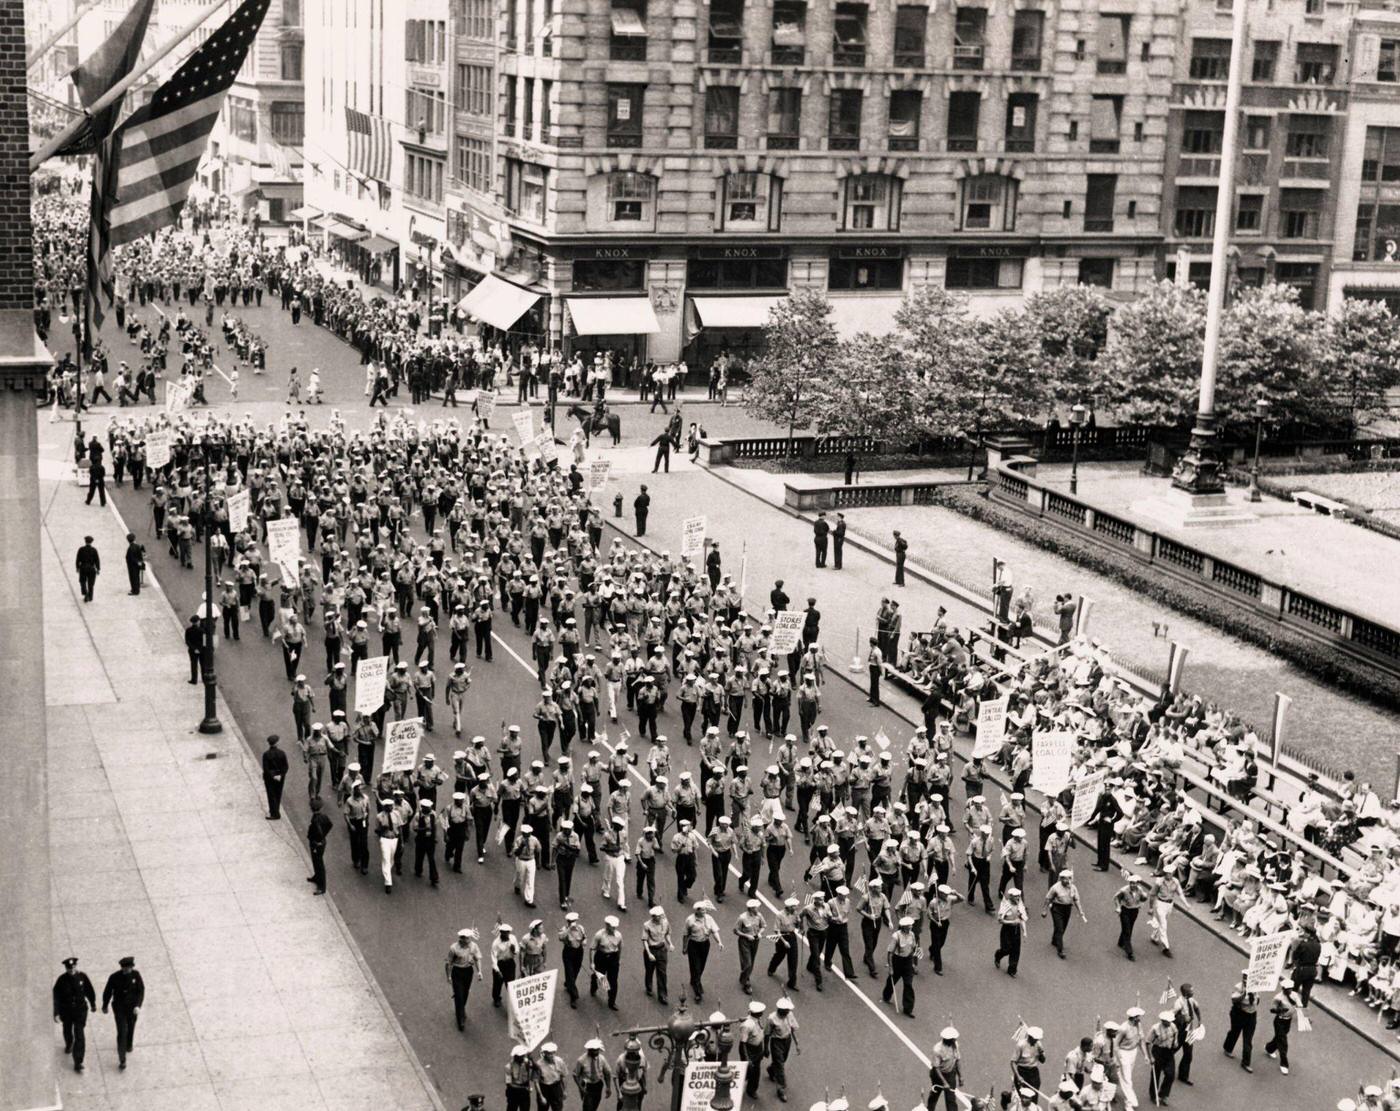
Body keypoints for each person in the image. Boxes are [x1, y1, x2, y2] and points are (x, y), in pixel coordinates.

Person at [52, 956, 97, 1073]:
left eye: (73, 967)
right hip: (66, 1012)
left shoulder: (82, 977)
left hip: (80, 1011)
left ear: (76, 966)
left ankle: (78, 1062)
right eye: (69, 968)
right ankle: (68, 1043)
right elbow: (55, 997)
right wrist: (56, 1013)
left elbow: (89, 991)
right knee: (67, 1030)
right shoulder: (61, 980)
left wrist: (92, 1004)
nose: (71, 970)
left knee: (80, 1034)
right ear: (66, 968)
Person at [101, 956, 145, 1070]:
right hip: (119, 1008)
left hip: (132, 1009)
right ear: (122, 968)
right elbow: (108, 992)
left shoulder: (136, 975)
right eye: (126, 968)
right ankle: (122, 1059)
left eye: (130, 968)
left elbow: (141, 991)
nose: (128, 970)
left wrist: (138, 1005)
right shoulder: (114, 977)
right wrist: (105, 1005)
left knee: (131, 1027)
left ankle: (129, 1044)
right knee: (121, 1032)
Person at [446, 928, 483, 1031]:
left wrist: (479, 971)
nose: (469, 940)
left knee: (465, 993)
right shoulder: (454, 948)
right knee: (459, 996)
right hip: (457, 972)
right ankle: (460, 1019)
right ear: (461, 939)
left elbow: (477, 958)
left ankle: (461, 1009)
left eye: (469, 938)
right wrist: (448, 976)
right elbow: (448, 963)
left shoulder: (474, 946)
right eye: (467, 938)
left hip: (468, 972)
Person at [765, 997, 799, 1102]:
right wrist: (766, 1048)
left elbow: (793, 1029)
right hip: (776, 1042)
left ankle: (771, 1069)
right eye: (786, 1010)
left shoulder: (790, 1015)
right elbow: (767, 1034)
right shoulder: (771, 1018)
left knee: (782, 1060)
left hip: (787, 1040)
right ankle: (781, 1089)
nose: (788, 1012)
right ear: (780, 1010)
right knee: (780, 1066)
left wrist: (797, 1044)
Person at [1222, 970, 1258, 1072]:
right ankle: (1228, 1048)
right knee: (1234, 1032)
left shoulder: (1256, 987)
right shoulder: (1238, 987)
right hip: (1239, 1014)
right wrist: (1244, 993)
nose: (1246, 980)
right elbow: (1234, 999)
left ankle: (1246, 1063)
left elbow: (1257, 999)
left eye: (1249, 978)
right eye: (1245, 978)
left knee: (1248, 1039)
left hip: (1251, 1015)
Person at [1145, 1010, 1180, 1105]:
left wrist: (1175, 1041)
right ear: (1163, 1020)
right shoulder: (1155, 1028)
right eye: (1167, 1021)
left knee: (1170, 1074)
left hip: (1168, 1052)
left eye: (1170, 1021)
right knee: (1156, 1074)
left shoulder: (1172, 1026)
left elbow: (1175, 1033)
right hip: (1158, 1051)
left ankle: (1163, 1094)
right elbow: (1147, 1042)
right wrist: (1150, 1057)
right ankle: (1153, 1095)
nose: (1169, 1023)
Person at [1264, 979, 1297, 1076]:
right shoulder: (1278, 997)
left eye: (1290, 989)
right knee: (1283, 1042)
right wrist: (1280, 1010)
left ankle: (1269, 1048)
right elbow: (1272, 1010)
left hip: (1288, 1020)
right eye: (1287, 989)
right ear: (1283, 988)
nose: (1289, 991)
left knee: (1279, 1038)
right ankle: (1284, 1064)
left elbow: (1299, 1005)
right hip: (1279, 1021)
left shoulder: (1295, 995)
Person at [993, 887, 1027, 977]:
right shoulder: (1005, 905)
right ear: (1011, 897)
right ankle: (998, 955)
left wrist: (1024, 931)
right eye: (1016, 896)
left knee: (1016, 950)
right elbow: (1000, 920)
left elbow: (1022, 918)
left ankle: (1012, 969)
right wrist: (1012, 922)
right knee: (1006, 949)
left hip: (1016, 930)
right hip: (1007, 929)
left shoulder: (1019, 904)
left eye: (1019, 896)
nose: (1018, 898)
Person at [573, 1039, 613, 1111]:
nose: (597, 1052)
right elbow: (575, 1075)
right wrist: (581, 1088)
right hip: (587, 1086)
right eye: (594, 1050)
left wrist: (608, 1087)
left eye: (597, 1050)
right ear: (589, 1050)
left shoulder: (602, 1059)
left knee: (595, 1104)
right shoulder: (581, 1060)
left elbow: (607, 1073)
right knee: (588, 1107)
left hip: (598, 1084)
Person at [928, 1028, 961, 1111]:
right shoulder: (937, 1049)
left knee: (951, 1099)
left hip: (950, 1074)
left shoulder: (955, 1045)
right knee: (935, 1094)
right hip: (938, 1075)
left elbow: (957, 1060)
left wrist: (960, 1076)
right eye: (953, 1039)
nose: (955, 1040)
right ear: (948, 1040)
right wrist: (944, 1083)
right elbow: (936, 1068)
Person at [306, 795, 334, 894]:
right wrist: (324, 835)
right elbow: (330, 825)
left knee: (318, 863)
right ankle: (317, 877)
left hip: (316, 843)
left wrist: (318, 838)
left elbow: (318, 831)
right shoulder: (323, 816)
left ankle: (322, 887)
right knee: (316, 861)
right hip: (320, 842)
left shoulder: (315, 820)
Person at [262, 734, 288, 820]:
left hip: (270, 778)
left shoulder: (266, 754)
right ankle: (275, 810)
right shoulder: (282, 753)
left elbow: (266, 768)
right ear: (276, 743)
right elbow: (286, 766)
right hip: (280, 776)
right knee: (278, 794)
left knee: (271, 795)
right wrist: (281, 775)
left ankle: (274, 813)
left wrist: (272, 776)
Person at [75, 536, 100, 602]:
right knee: (91, 583)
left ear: (85, 541)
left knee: (82, 581)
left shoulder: (81, 549)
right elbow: (97, 560)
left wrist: (77, 567)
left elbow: (78, 559)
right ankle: (90, 596)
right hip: (91, 568)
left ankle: (85, 592)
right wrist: (98, 569)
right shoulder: (94, 550)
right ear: (91, 542)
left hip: (83, 567)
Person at [866, 637, 883, 706]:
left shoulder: (877, 652)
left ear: (872, 643)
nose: (869, 643)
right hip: (872, 667)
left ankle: (876, 701)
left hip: (875, 668)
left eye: (870, 642)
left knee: (875, 685)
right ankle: (872, 697)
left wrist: (881, 671)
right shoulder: (873, 649)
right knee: (872, 683)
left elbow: (879, 662)